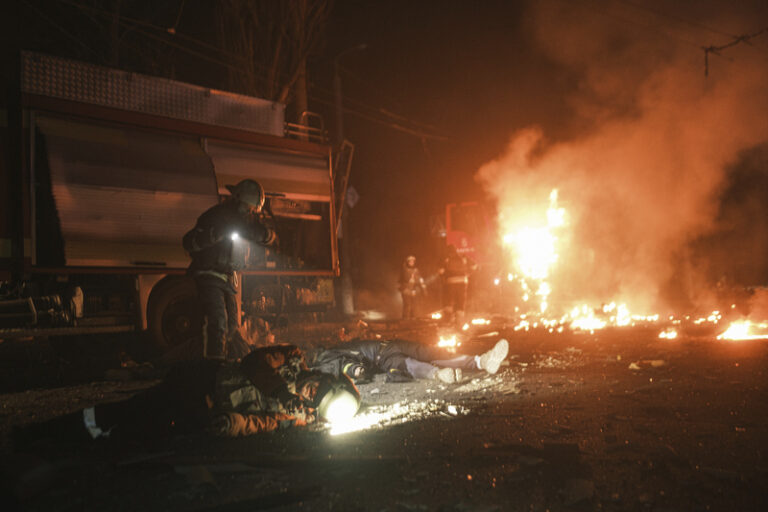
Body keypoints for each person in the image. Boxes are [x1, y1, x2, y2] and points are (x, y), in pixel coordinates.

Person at [12, 345, 361, 446]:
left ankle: (68, 445)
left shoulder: (296, 415)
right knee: (123, 414)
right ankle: (40, 434)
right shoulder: (290, 359)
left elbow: (260, 423)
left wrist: (232, 424)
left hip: (201, 409)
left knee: (136, 434)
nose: (310, 394)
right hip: (197, 381)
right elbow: (256, 362)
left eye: (316, 399)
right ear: (320, 378)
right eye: (318, 389)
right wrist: (283, 394)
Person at [183, 179, 278, 360]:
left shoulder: (245, 222)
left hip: (227, 279)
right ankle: (213, 367)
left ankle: (227, 363)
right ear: (237, 199)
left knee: (232, 327)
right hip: (208, 275)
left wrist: (266, 236)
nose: (250, 213)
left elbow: (268, 236)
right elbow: (188, 242)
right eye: (247, 208)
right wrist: (214, 234)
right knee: (218, 322)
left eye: (253, 210)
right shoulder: (215, 217)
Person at [307, 338, 509, 385]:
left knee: (432, 352)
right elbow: (345, 366)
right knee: (409, 365)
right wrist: (357, 371)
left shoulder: (332, 349)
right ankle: (438, 374)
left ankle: (482, 361)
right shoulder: (325, 360)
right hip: (383, 357)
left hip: (389, 345)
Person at [439, 244, 476, 327]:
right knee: (460, 301)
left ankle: (448, 321)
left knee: (449, 301)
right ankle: (459, 322)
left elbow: (440, 271)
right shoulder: (463, 257)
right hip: (463, 282)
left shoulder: (446, 259)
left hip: (450, 282)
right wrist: (468, 274)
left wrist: (444, 279)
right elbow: (474, 265)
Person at [398, 255, 427, 320]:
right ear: (407, 262)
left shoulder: (416, 271)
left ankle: (412, 319)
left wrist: (424, 290)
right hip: (405, 290)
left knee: (413, 305)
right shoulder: (404, 270)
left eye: (413, 261)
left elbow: (420, 280)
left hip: (413, 290)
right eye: (410, 261)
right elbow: (402, 280)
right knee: (407, 305)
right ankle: (405, 319)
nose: (411, 263)